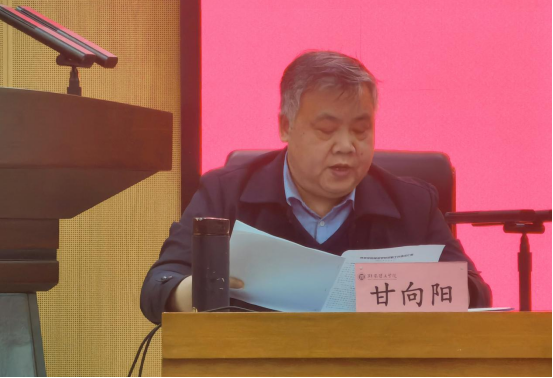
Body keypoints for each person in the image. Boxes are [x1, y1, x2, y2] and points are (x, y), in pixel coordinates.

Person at [141, 50, 492, 324]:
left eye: (361, 130)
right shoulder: (225, 193)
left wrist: (396, 288)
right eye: (327, 130)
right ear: (285, 126)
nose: (347, 146)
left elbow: (475, 292)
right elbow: (159, 285)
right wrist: (201, 289)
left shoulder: (412, 203)